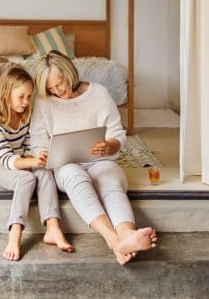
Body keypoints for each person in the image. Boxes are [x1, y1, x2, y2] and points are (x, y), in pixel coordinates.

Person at [30, 51, 158, 265]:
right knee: (75, 176)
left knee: (110, 181)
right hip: (65, 164)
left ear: (69, 72)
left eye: (59, 83)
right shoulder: (44, 102)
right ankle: (113, 240)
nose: (57, 91)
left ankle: (127, 235)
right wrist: (42, 153)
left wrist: (109, 146)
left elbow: (117, 133)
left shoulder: (98, 93)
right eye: (51, 88)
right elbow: (37, 141)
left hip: (100, 161)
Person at [0, 66, 74, 261]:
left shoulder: (25, 114)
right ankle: (15, 234)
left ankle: (52, 227)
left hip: (21, 159)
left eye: (29, 96)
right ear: (6, 93)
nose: (26, 102)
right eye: (21, 96)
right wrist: (32, 161)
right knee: (26, 179)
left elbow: (26, 145)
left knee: (45, 172)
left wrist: (38, 158)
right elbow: (6, 159)